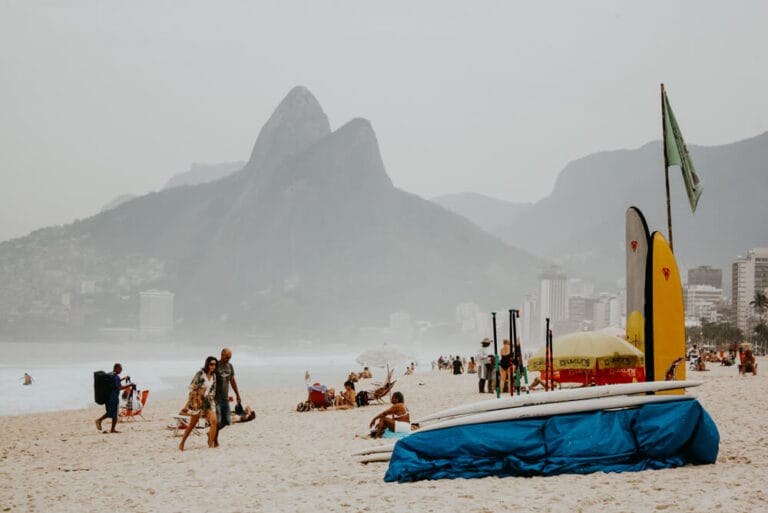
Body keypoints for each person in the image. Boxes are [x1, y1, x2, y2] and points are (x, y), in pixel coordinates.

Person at [179, 356, 218, 451]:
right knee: (192, 424)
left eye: (215, 364)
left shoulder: (214, 376)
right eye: (211, 364)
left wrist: (214, 400)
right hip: (197, 400)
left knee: (214, 421)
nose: (213, 366)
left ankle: (210, 445)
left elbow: (213, 390)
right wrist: (191, 403)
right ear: (207, 364)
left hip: (208, 401)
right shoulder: (200, 374)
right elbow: (192, 387)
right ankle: (182, 442)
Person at [213, 347, 242, 448]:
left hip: (225, 397)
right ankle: (215, 440)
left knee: (226, 421)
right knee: (218, 420)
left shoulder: (230, 366)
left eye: (229, 358)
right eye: (226, 357)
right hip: (216, 397)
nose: (228, 359)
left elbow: (232, 381)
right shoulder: (215, 365)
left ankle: (211, 433)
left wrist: (237, 394)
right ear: (221, 355)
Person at [95, 363, 133, 434]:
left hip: (108, 397)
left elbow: (115, 383)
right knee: (113, 413)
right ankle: (100, 421)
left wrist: (124, 378)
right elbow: (119, 388)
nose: (121, 370)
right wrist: (129, 385)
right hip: (113, 397)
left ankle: (111, 428)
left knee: (112, 412)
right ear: (116, 368)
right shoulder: (116, 377)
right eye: (120, 369)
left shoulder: (110, 375)